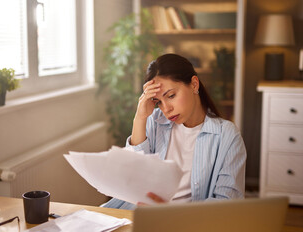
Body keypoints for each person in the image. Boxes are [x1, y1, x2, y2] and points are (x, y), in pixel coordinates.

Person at [102, 53, 246, 210]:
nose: (166, 109)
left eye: (171, 96)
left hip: (186, 222)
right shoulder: (154, 121)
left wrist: (170, 211)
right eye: (158, 102)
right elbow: (132, 175)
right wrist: (140, 118)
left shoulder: (226, 136)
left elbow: (228, 203)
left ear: (194, 84)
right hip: (139, 214)